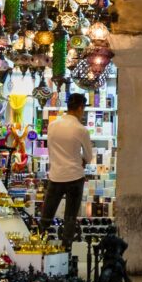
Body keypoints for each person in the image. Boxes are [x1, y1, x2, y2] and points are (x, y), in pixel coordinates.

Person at [38, 93, 91, 234]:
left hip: (56, 175)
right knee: (70, 218)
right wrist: (81, 160)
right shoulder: (81, 130)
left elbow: (51, 149)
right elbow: (89, 156)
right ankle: (66, 248)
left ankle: (39, 245)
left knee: (46, 216)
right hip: (75, 176)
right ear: (80, 108)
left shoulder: (52, 125)